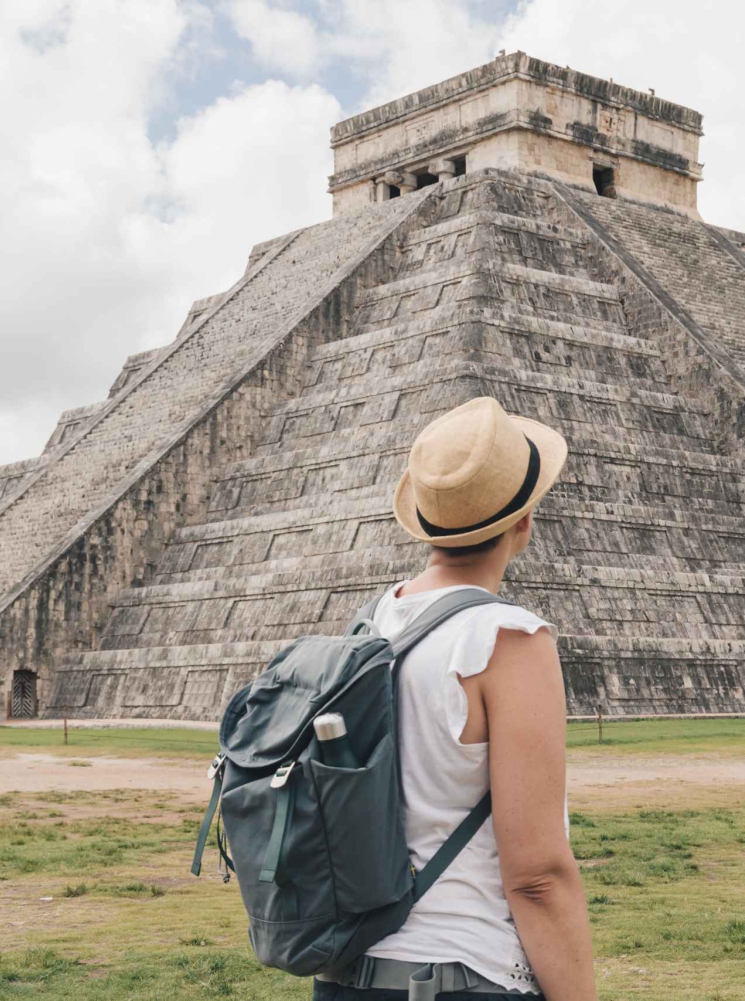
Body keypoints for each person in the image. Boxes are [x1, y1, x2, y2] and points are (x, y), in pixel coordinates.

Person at [313, 397, 597, 1001]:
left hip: (347, 976)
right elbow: (538, 876)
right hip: (459, 976)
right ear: (523, 522)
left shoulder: (370, 625)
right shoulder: (507, 640)